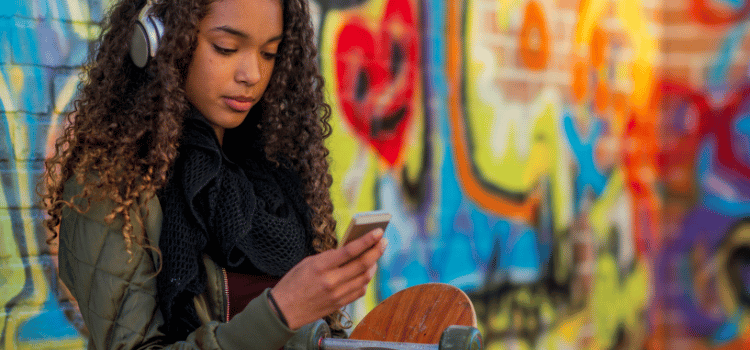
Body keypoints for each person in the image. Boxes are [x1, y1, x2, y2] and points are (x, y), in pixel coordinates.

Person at [41, 0, 387, 348]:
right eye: (226, 48)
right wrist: (279, 314)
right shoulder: (112, 185)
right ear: (159, 40)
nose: (251, 74)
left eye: (269, 53)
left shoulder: (276, 174)